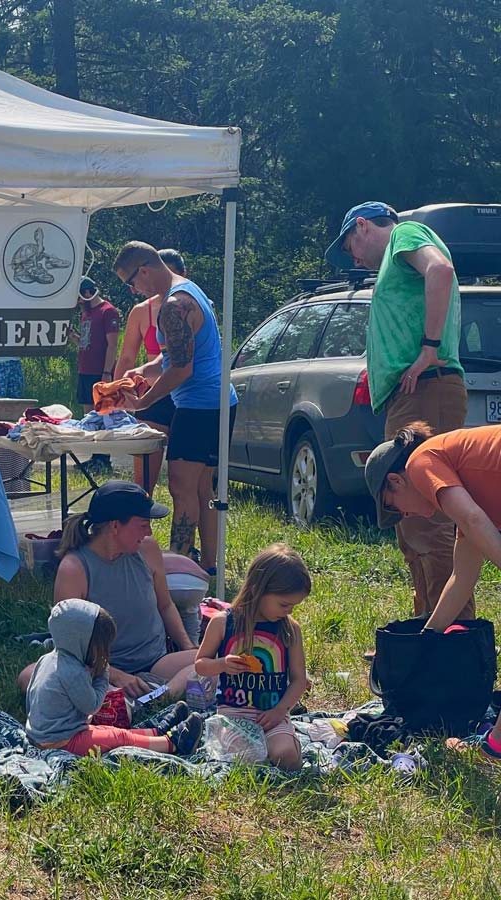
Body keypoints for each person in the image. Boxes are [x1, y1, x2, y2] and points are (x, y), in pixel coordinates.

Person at [328, 202, 467, 617]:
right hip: (409, 394)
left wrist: (429, 348)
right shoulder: (393, 258)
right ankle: (425, 625)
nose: (354, 258)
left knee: (428, 517)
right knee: (407, 517)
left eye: (349, 246)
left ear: (362, 226)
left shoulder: (404, 235)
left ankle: (452, 633)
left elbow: (440, 270)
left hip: (425, 389)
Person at [364, 423, 501, 760]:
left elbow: (473, 519)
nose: (403, 515)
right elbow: (461, 578)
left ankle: (495, 747)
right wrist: (425, 640)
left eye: (393, 506)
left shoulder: (420, 461)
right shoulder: (470, 487)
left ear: (396, 481)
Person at [113, 241, 237, 576]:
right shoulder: (187, 290)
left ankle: (177, 567)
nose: (133, 291)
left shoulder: (172, 306)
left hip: (199, 407)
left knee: (181, 489)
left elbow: (182, 370)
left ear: (144, 271)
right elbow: (173, 357)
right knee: (202, 489)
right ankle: (209, 565)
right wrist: (143, 370)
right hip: (220, 402)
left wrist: (144, 400)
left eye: (130, 282)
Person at [17, 480, 198, 700]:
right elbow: (68, 646)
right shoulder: (74, 568)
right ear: (115, 526)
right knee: (28, 676)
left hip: (156, 663)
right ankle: (143, 696)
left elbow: (165, 605)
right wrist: (117, 676)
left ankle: (151, 697)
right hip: (98, 670)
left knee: (214, 662)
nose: (149, 531)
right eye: (143, 525)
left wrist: (188, 648)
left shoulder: (148, 549)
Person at [25, 599, 204, 757]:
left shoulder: (47, 659)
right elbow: (93, 706)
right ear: (81, 641)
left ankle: (157, 732)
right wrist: (104, 674)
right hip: (62, 743)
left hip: (43, 735)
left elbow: (30, 699)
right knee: (119, 737)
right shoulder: (73, 672)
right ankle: (173, 744)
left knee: (108, 731)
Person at [194, 544, 310, 770]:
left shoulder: (289, 629)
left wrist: (281, 710)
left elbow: (299, 680)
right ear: (258, 590)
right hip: (234, 715)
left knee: (286, 757)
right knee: (243, 759)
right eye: (284, 604)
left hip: (273, 713)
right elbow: (200, 665)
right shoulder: (223, 623)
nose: (289, 611)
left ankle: (286, 744)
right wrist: (222, 664)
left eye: (293, 606)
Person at [114, 248, 188, 490]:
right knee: (144, 479)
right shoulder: (141, 311)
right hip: (153, 395)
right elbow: (126, 358)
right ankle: (142, 511)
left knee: (183, 481)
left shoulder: (187, 303)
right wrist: (115, 394)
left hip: (185, 393)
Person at [73, 276, 120, 415]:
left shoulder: (108, 311)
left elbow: (112, 345)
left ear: (87, 293)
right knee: (88, 416)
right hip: (84, 371)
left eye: (79, 298)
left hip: (99, 372)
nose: (79, 302)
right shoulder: (85, 313)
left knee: (103, 413)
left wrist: (106, 372)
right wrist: (72, 336)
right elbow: (85, 343)